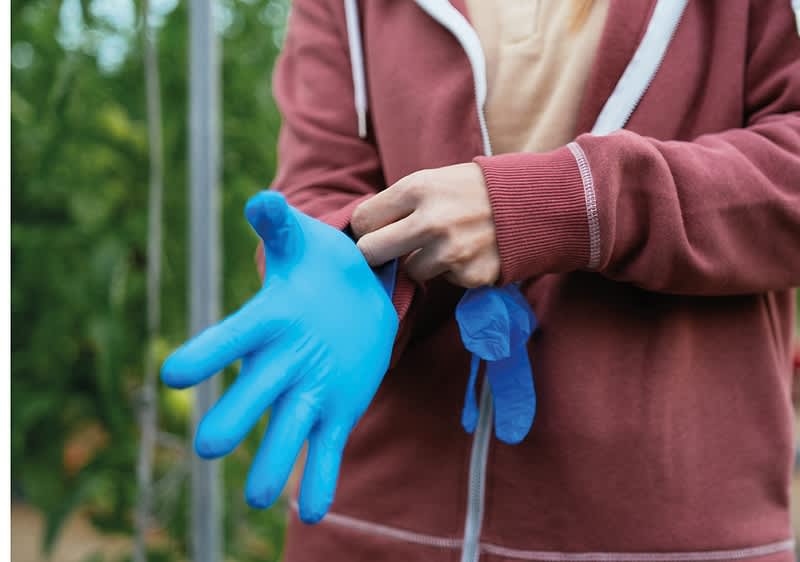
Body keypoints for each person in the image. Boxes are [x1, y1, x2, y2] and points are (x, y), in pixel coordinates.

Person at [162, 1, 800, 561]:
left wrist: (558, 204)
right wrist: (355, 270)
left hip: (659, 528)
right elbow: (322, 173)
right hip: (373, 527)